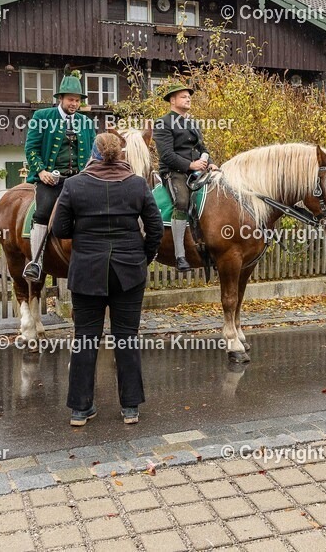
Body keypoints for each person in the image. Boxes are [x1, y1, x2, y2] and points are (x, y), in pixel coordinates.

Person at [52, 133, 163, 426]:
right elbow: (155, 228)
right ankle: (130, 408)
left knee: (85, 338)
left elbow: (60, 228)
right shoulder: (138, 185)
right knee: (126, 337)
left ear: (95, 154)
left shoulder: (74, 185)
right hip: (129, 272)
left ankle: (80, 409)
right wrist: (145, 256)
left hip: (87, 272)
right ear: (121, 154)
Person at [22, 70, 97, 282]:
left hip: (80, 180)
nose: (74, 104)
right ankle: (36, 261)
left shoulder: (86, 122)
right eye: (71, 100)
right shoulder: (42, 117)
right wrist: (41, 171)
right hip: (51, 180)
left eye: (77, 101)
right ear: (60, 99)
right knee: (43, 212)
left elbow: (93, 152)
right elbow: (31, 149)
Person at [151, 82, 218, 272]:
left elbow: (202, 148)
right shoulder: (162, 123)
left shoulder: (193, 123)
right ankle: (180, 256)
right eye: (183, 96)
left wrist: (210, 162)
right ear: (172, 100)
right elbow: (166, 155)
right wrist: (190, 165)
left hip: (198, 171)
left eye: (189, 96)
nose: (188, 99)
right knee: (181, 201)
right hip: (174, 172)